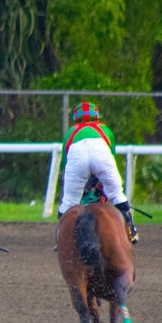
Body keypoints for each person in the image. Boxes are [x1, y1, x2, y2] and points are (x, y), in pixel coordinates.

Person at [57, 101, 138, 244]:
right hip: (100, 151)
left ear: (76, 119)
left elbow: (65, 164)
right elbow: (111, 157)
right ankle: (131, 231)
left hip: (77, 155)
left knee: (69, 202)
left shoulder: (70, 132)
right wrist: (102, 186)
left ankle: (61, 239)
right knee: (117, 193)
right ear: (97, 117)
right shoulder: (105, 130)